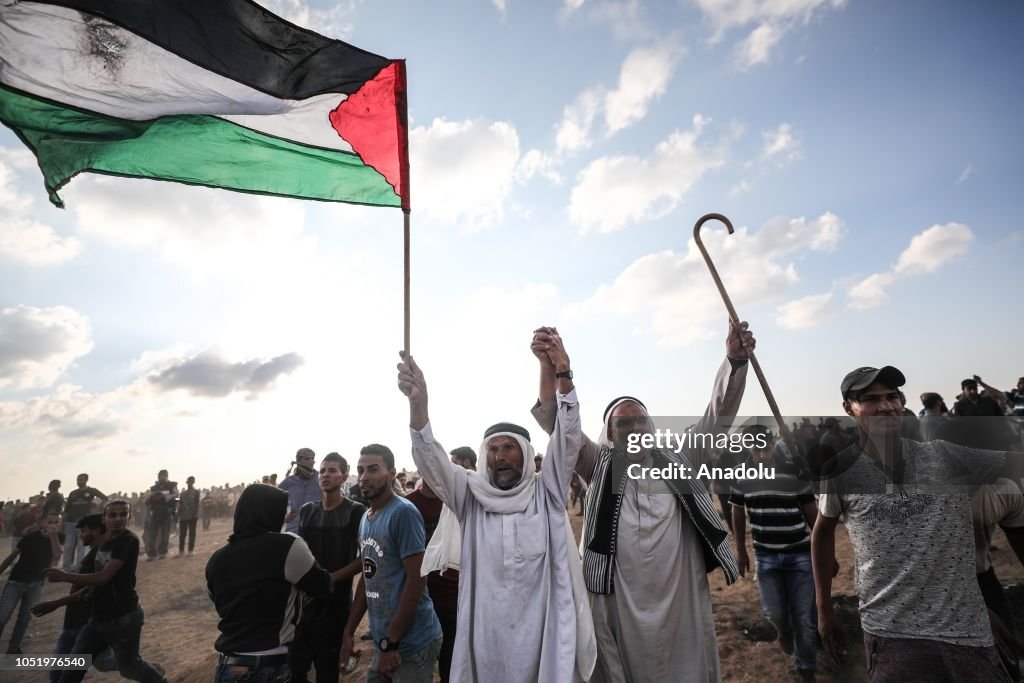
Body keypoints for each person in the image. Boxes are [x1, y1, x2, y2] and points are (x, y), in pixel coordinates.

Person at [531, 322, 753, 682]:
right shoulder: (597, 463)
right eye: (624, 425)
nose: (635, 430)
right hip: (619, 598)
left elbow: (718, 414)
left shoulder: (680, 458)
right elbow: (559, 424)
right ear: (609, 434)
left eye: (641, 422)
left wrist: (734, 361)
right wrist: (553, 369)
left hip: (678, 594)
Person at [396, 338, 596, 683]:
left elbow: (568, 437)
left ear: (524, 452)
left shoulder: (546, 492)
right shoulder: (470, 496)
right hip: (487, 635)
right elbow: (430, 459)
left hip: (543, 631)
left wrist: (563, 373)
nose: (500, 456)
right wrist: (418, 404)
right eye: (494, 449)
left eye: (509, 448)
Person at [812, 365, 1024, 682]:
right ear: (849, 409)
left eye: (892, 396)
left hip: (966, 633)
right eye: (870, 398)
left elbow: (1014, 464)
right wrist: (824, 609)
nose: (885, 406)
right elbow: (822, 532)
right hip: (890, 634)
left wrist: (979, 607)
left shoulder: (945, 457)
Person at [207, 484, 332, 683]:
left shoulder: (217, 559)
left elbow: (218, 600)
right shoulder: (287, 545)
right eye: (282, 511)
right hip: (267, 665)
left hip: (229, 667)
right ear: (272, 513)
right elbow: (323, 585)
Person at [340, 443, 442, 682]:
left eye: (373, 469)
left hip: (411, 642)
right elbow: (368, 578)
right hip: (385, 642)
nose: (364, 477)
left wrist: (392, 642)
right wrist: (349, 630)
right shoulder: (366, 517)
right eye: (361, 470)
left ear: (392, 473)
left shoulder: (403, 513)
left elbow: (417, 579)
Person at [731, 425, 822, 682]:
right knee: (775, 614)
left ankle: (806, 667)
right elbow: (737, 510)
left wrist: (824, 551)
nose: (761, 454)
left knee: (803, 615)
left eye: (766, 448)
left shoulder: (794, 471)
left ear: (773, 444)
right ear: (748, 447)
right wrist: (740, 549)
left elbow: (811, 512)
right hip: (765, 555)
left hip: (800, 554)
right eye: (756, 449)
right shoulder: (740, 475)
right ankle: (784, 632)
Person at [46, 500, 168, 683]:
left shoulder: (129, 541)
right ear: (104, 519)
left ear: (130, 516)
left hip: (125, 618)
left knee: (129, 668)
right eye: (112, 515)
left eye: (123, 514)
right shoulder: (103, 545)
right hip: (98, 619)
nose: (118, 518)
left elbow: (103, 577)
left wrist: (64, 576)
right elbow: (95, 585)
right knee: (72, 672)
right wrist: (56, 603)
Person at [291, 453, 366, 683]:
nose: (325, 475)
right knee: (295, 670)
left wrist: (330, 579)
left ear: (344, 476)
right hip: (305, 603)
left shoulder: (356, 512)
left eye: (332, 470)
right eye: (322, 470)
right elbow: (300, 551)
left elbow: (365, 558)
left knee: (327, 671)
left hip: (336, 603)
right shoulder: (307, 510)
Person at [31, 513, 117, 682]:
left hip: (87, 623)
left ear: (97, 531)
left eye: (84, 531)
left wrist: (56, 602)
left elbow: (91, 589)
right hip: (73, 622)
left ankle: (144, 669)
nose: (81, 535)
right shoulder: (93, 554)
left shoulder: (102, 556)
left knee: (103, 662)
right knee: (58, 674)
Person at [406, 474, 460, 682]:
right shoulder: (407, 505)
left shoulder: (455, 503)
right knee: (418, 659)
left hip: (451, 594)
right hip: (419, 595)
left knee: (450, 657)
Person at [0, 511, 63, 654]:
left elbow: (57, 555)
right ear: (42, 523)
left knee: (24, 618)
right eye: (50, 522)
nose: (52, 525)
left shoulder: (59, 538)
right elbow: (12, 556)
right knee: (2, 616)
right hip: (16, 581)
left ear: (60, 524)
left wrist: (53, 537)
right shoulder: (30, 537)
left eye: (56, 522)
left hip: (36, 584)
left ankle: (13, 648)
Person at [62, 474, 108, 570]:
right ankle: (66, 567)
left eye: (81, 480)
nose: (79, 482)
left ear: (86, 480)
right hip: (70, 523)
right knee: (68, 546)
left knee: (82, 546)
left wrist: (96, 504)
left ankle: (80, 567)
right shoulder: (73, 493)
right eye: (78, 480)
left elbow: (105, 498)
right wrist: (62, 522)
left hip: (84, 523)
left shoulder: (92, 491)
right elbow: (67, 509)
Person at [279, 448, 321, 534]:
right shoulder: (289, 481)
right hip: (293, 531)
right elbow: (274, 500)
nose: (311, 461)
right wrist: (282, 518)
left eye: (312, 458)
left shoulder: (320, 478)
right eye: (307, 459)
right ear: (298, 460)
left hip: (316, 530)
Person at [145, 470, 178, 561]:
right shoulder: (154, 487)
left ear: (167, 476)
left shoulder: (171, 485)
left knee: (165, 534)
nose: (161, 477)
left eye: (163, 476)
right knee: (152, 534)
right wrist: (151, 496)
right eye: (160, 476)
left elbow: (176, 494)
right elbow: (148, 500)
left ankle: (163, 552)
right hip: (155, 512)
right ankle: (151, 554)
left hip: (166, 512)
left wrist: (169, 497)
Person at [177, 476, 200, 557]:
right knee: (182, 534)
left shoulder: (196, 492)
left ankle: (191, 550)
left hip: (193, 516)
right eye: (189, 481)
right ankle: (181, 551)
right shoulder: (182, 493)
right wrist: (177, 515)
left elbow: (197, 504)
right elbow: (180, 504)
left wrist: (195, 514)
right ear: (187, 483)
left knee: (192, 534)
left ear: (193, 482)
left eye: (191, 481)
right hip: (183, 516)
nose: (190, 483)